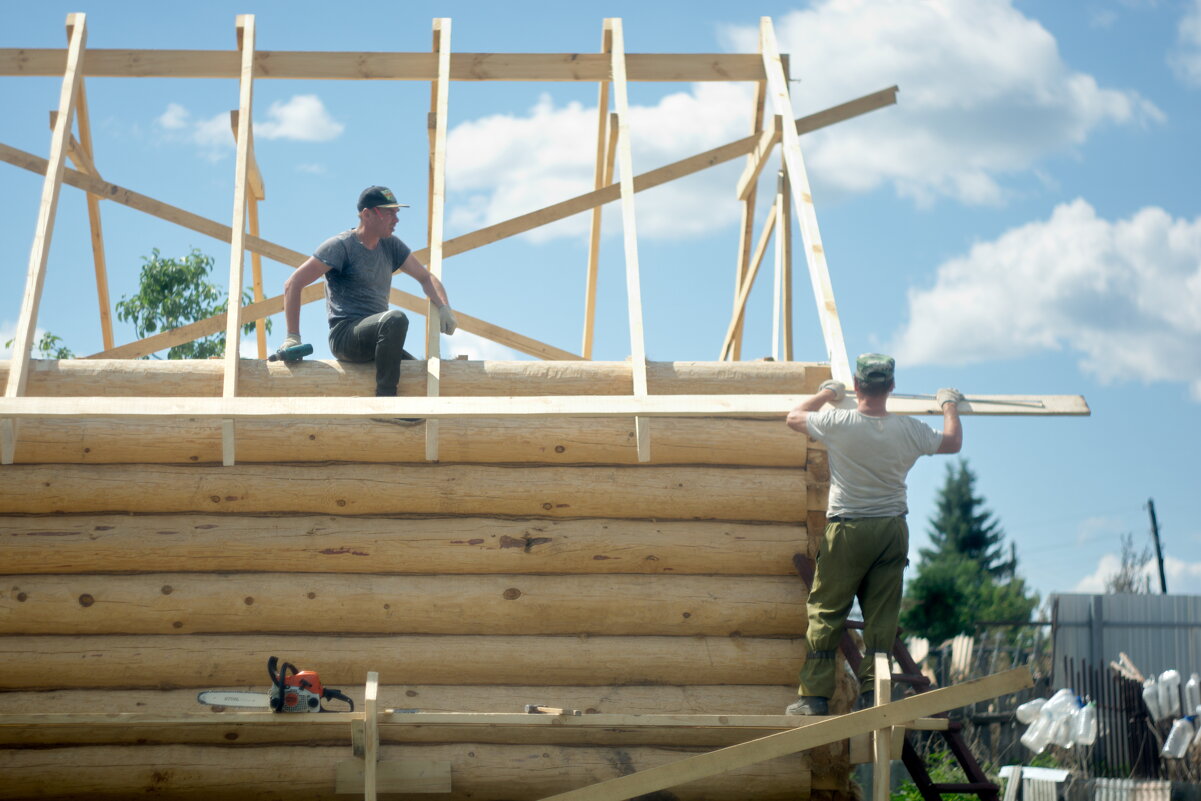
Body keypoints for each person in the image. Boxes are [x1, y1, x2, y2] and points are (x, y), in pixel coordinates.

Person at [783, 353, 963, 716]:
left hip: (848, 529)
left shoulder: (839, 421)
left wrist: (825, 393)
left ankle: (814, 698)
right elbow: (952, 441)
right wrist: (948, 404)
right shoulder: (909, 430)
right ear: (891, 387)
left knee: (827, 610)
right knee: (881, 618)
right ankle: (874, 696)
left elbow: (793, 416)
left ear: (856, 384)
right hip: (891, 530)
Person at [280, 185, 457, 399]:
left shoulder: (391, 245)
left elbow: (426, 277)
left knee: (423, 380)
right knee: (395, 319)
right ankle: (385, 401)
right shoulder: (341, 246)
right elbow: (293, 283)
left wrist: (444, 307)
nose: (396, 219)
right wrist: (292, 337)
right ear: (367, 214)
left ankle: (401, 422)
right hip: (346, 336)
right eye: (390, 212)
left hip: (380, 338)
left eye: (397, 212)